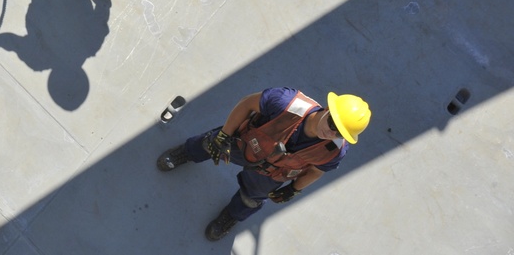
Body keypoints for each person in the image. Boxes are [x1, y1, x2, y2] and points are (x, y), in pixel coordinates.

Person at [156, 88, 371, 241]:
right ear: (327, 109)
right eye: (333, 123)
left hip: (271, 174)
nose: (331, 133)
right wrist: (224, 136)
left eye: (340, 132)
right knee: (209, 144)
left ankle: (231, 216)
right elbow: (247, 103)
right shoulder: (285, 101)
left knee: (251, 199)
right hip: (245, 143)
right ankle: (185, 152)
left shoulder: (334, 151)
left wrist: (294, 190)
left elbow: (316, 170)